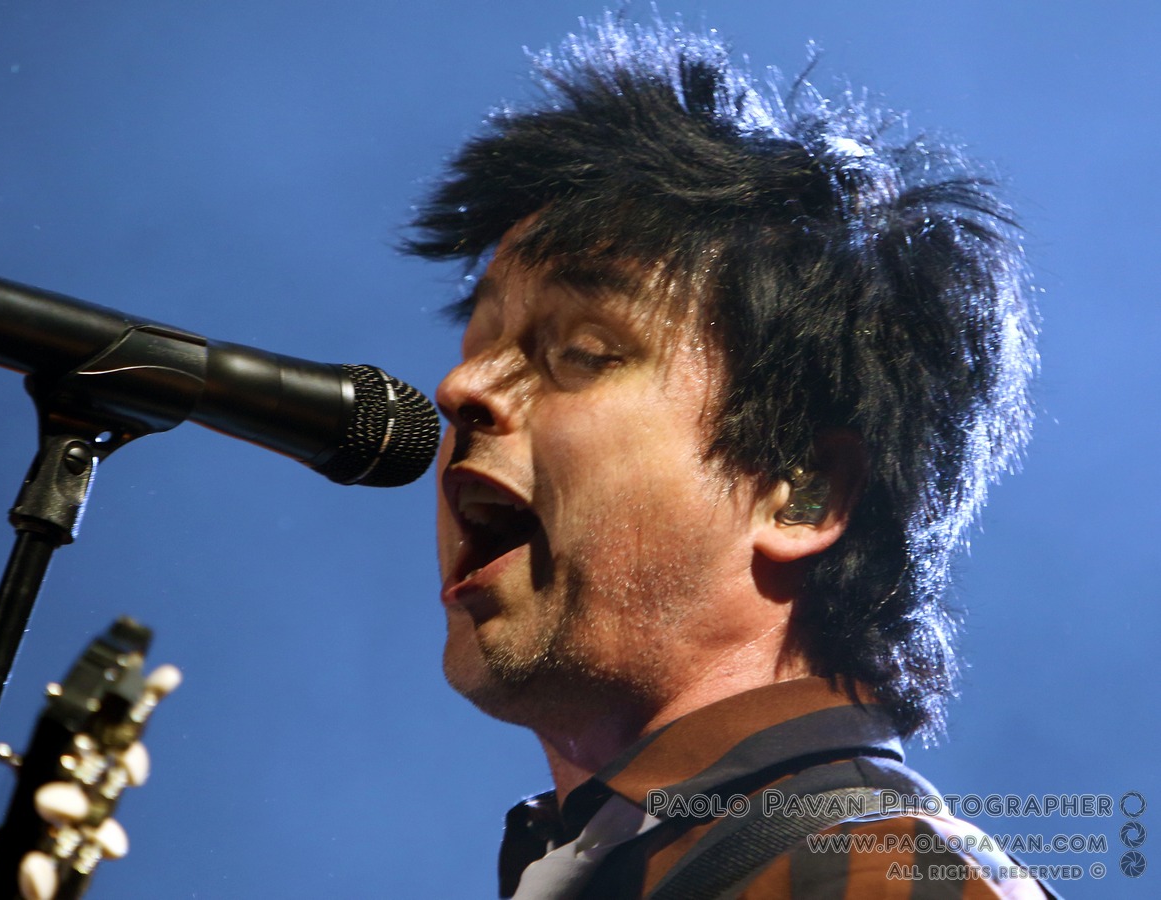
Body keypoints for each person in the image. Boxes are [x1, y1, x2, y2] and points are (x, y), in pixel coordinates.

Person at [406, 12, 1048, 900]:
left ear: (801, 494)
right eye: (479, 344)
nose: (460, 387)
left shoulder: (873, 879)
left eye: (583, 352)